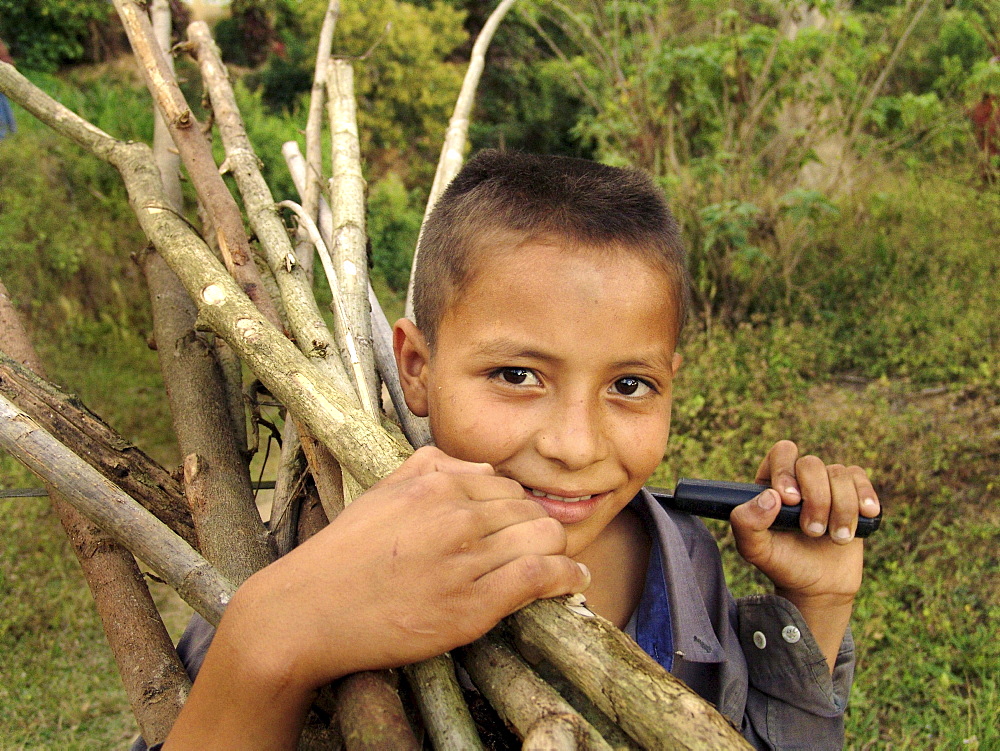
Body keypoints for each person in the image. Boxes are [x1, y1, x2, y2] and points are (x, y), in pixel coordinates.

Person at [152, 151, 880, 749]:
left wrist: (817, 604)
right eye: (517, 375)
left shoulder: (686, 561)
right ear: (417, 368)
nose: (573, 444)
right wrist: (265, 635)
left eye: (630, 383)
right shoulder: (316, 571)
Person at [0, 39, 17, 140]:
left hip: (4, 71)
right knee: (3, 102)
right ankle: (11, 128)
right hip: (5, 69)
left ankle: (3, 133)